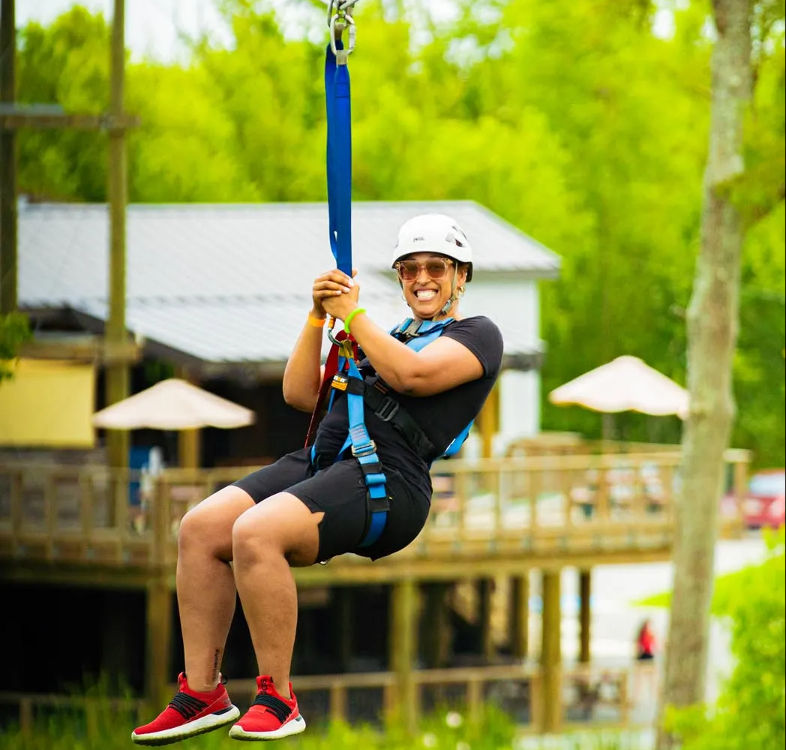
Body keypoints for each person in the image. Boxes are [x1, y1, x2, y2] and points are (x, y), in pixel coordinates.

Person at [131, 214, 504, 745]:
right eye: (411, 269)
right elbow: (301, 394)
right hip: (324, 458)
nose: (423, 278)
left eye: (437, 268)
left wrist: (353, 314)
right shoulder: (386, 335)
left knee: (255, 533)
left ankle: (277, 699)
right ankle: (203, 692)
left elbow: (411, 376)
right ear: (400, 277)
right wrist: (316, 318)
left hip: (387, 479)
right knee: (200, 528)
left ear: (461, 275)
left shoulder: (477, 335)